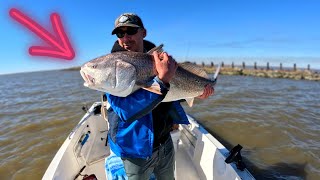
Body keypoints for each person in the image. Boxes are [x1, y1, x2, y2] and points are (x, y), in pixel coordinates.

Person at [106, 13, 214, 180]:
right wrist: (162, 80)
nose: (125, 37)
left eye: (131, 31)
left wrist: (196, 92)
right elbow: (125, 111)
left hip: (165, 142)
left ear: (144, 32)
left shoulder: (162, 61)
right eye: (120, 33)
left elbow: (172, 92)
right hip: (135, 150)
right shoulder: (113, 68)